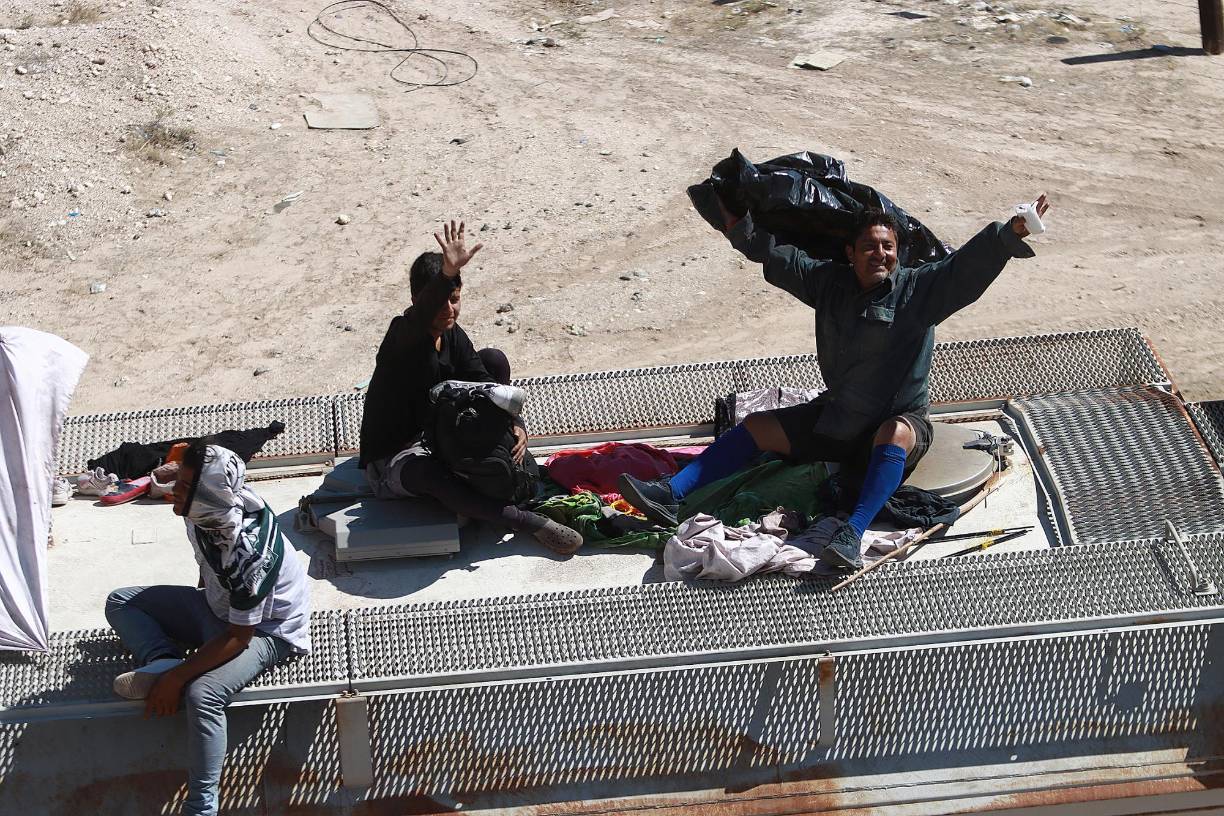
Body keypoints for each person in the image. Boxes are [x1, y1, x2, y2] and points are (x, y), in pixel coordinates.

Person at [621, 195, 1051, 570]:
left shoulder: (920, 290)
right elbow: (780, 258)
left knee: (895, 430)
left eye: (888, 246)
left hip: (899, 427)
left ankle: (851, 532)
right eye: (869, 246)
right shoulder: (828, 284)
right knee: (756, 427)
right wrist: (741, 228)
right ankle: (670, 494)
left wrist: (1009, 232)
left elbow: (965, 267)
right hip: (839, 419)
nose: (879, 254)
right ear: (851, 253)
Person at [105, 441, 311, 816]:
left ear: (207, 494)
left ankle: (202, 808)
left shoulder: (248, 554)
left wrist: (179, 679)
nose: (172, 491)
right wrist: (176, 468)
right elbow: (207, 560)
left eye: (183, 486)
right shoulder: (207, 507)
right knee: (123, 601)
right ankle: (161, 660)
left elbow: (239, 637)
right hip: (220, 607)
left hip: (266, 631)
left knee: (202, 694)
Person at [359, 220, 582, 555]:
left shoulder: (452, 334)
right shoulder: (400, 338)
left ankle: (478, 490)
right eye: (441, 301)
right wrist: (446, 273)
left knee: (493, 360)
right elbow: (420, 316)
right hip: (396, 455)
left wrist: (515, 425)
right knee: (429, 474)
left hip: (442, 433)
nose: (450, 309)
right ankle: (524, 522)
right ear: (418, 299)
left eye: (455, 299)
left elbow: (482, 379)